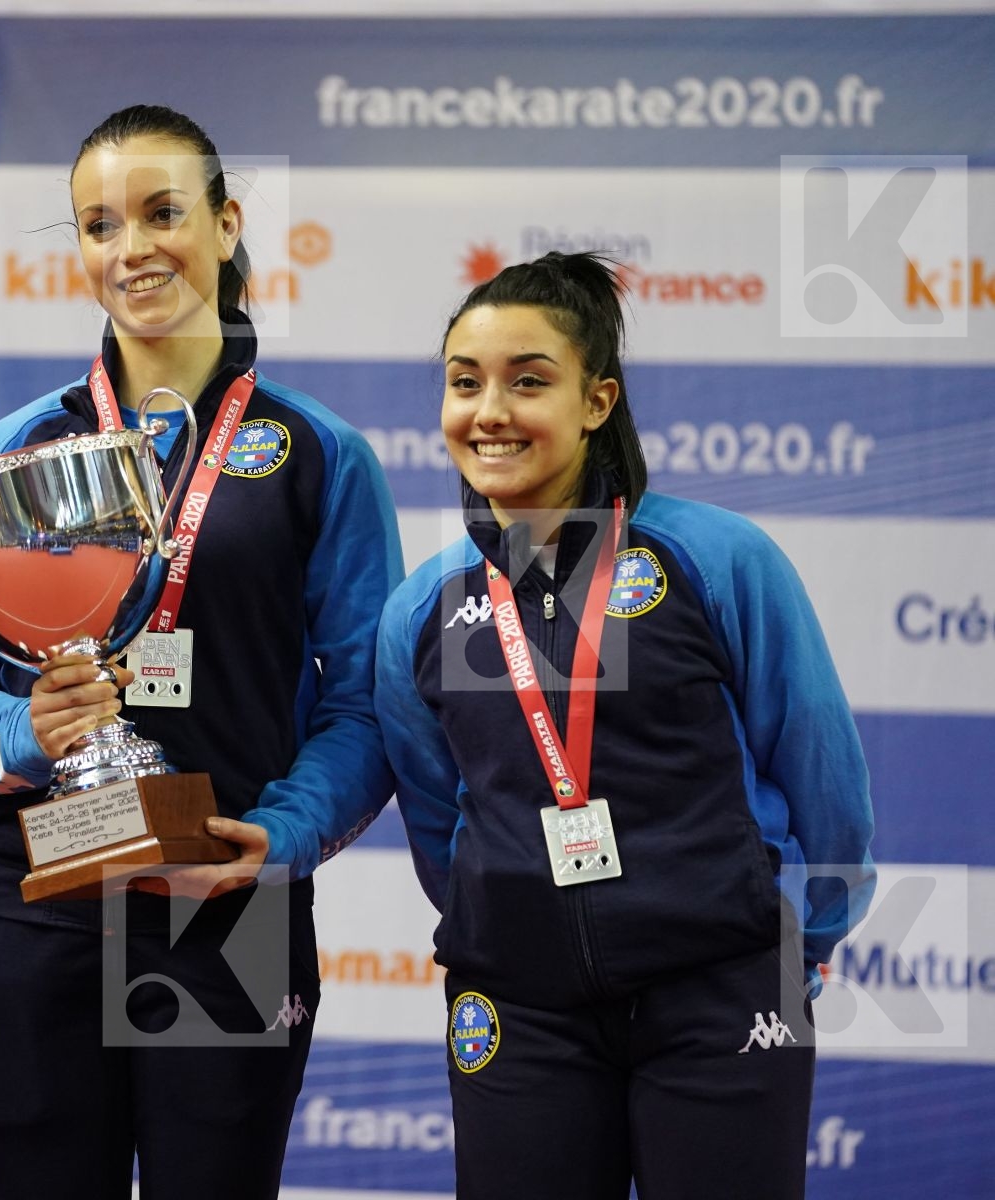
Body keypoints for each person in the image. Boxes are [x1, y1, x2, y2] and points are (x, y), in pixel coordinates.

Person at [0, 104, 402, 1199]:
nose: (129, 248)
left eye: (161, 212)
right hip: (43, 911)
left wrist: (277, 838)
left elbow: (367, 708)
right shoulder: (12, 454)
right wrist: (23, 732)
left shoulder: (320, 456)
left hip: (230, 913)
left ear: (226, 225)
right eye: (96, 223)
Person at [375, 251, 876, 1199]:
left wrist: (798, 943)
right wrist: (507, 922)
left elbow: (823, 776)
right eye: (464, 383)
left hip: (718, 992)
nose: (490, 411)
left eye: (530, 381)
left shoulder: (717, 560)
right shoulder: (421, 611)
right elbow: (441, 823)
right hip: (517, 1013)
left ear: (597, 401)